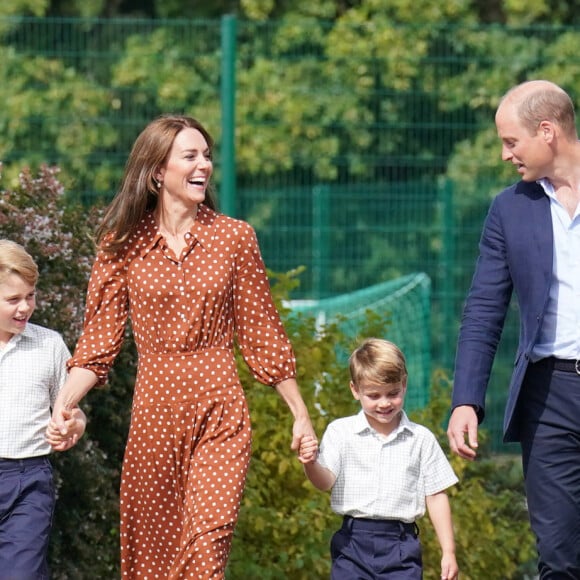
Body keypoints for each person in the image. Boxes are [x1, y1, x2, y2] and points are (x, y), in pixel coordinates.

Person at [48, 114, 317, 579]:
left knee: (206, 550)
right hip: (154, 415)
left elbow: (263, 334)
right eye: (190, 156)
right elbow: (98, 342)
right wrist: (65, 406)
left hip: (220, 411)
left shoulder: (235, 238)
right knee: (153, 559)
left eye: (207, 156)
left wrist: (300, 413)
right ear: (157, 171)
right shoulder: (121, 245)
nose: (204, 165)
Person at [447, 79, 580, 578]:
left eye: (511, 141)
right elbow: (484, 308)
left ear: (546, 131)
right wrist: (466, 399)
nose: (506, 156)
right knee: (560, 558)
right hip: (549, 396)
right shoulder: (509, 209)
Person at [301, 338, 458, 580]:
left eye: (392, 394)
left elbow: (436, 495)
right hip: (352, 543)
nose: (384, 403)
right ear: (355, 390)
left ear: (404, 385)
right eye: (373, 396)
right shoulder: (340, 432)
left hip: (400, 544)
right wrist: (310, 463)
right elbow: (324, 481)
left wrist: (448, 551)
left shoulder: (421, 438)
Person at [0, 239, 86, 580]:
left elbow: (73, 411)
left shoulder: (49, 345)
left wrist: (73, 426)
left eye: (30, 296)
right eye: (13, 299)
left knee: (19, 573)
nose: (25, 307)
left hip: (28, 481)